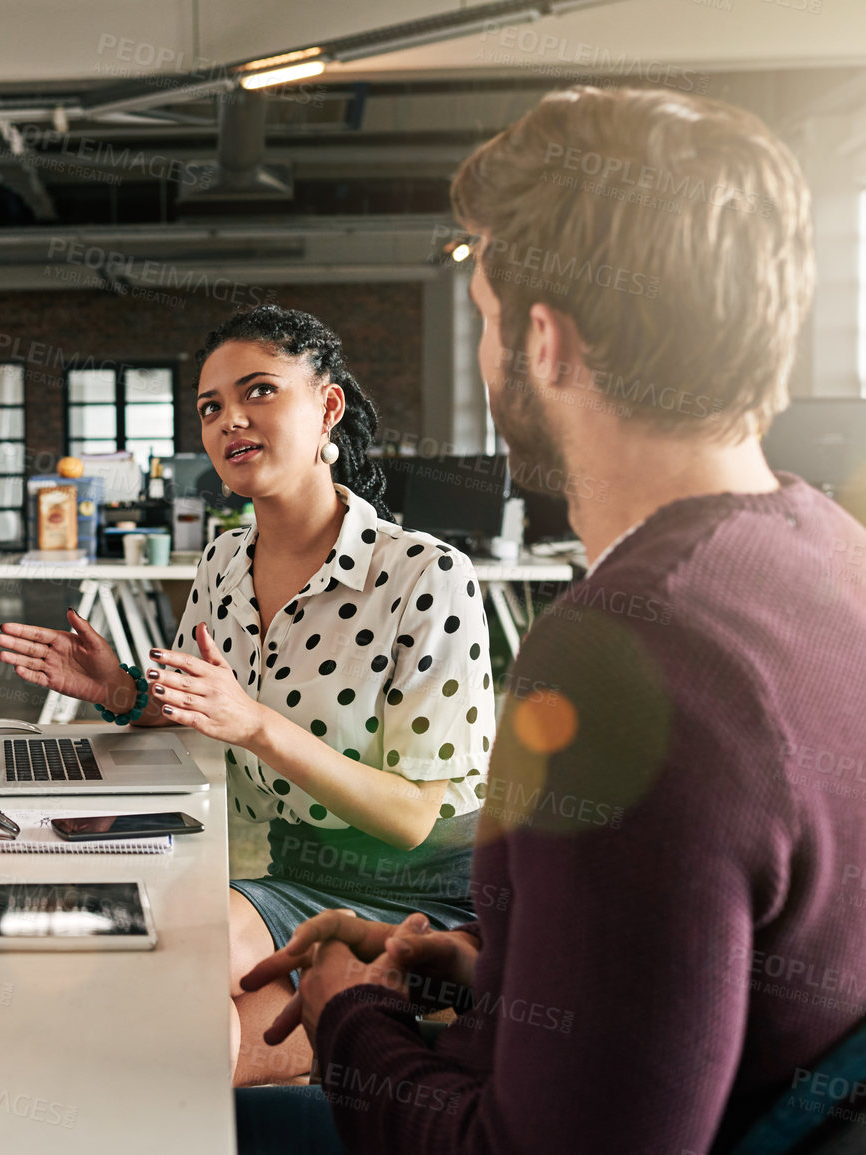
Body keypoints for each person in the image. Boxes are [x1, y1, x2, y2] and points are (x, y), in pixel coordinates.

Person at [234, 87, 866, 1154]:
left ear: (545, 340)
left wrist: (349, 1011)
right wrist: (489, 971)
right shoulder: (829, 555)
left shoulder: (630, 658)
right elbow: (696, 977)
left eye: (483, 315)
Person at [0, 305, 495, 1085]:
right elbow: (206, 704)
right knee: (133, 962)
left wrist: (257, 726)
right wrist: (123, 690)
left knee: (176, 1043)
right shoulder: (224, 560)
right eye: (210, 407)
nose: (231, 419)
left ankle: (428, 1011)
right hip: (294, 872)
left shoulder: (425, 575)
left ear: (327, 407)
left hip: (423, 901)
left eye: (258, 391)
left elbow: (411, 815)